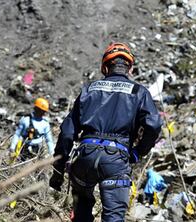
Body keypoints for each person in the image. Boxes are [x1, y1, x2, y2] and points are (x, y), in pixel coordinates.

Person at [49, 42, 162, 222]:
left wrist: (58, 171)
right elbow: (154, 125)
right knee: (113, 217)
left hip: (84, 157)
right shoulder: (139, 92)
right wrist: (137, 153)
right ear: (130, 68)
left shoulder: (89, 89)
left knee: (81, 211)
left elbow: (67, 133)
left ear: (105, 67)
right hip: (115, 161)